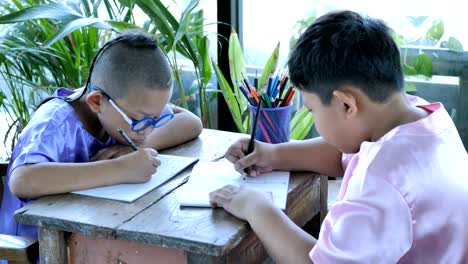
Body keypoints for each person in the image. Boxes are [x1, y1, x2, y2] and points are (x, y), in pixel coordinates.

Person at [209, 10, 468, 263]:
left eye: (311, 110)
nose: (312, 117)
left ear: (346, 105)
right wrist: (273, 154)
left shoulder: (381, 181)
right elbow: (349, 153)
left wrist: (259, 209)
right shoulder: (422, 117)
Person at [0, 30, 203, 241]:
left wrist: (139, 146)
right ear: (96, 101)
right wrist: (122, 168)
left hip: (88, 237)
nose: (148, 129)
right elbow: (22, 180)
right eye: (140, 120)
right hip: (36, 249)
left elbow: (191, 122)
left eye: (156, 119)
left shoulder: (125, 105)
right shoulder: (54, 122)